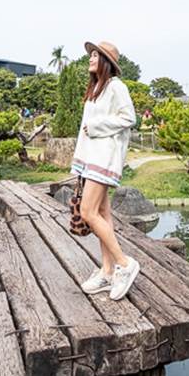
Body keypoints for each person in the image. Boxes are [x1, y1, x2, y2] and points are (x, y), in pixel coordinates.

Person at [73, 40, 140, 301]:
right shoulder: (97, 89)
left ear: (106, 62)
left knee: (88, 212)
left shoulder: (116, 86)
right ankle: (108, 271)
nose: (90, 58)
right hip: (91, 158)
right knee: (101, 213)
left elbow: (129, 118)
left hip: (104, 159)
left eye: (95, 55)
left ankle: (125, 264)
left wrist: (97, 125)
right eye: (90, 54)